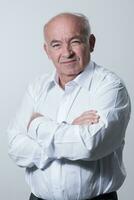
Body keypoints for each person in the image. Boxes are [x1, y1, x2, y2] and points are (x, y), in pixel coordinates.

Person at [7, 12, 131, 200]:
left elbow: (90, 145)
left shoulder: (111, 86)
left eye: (75, 41)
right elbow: (15, 148)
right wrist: (70, 129)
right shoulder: (36, 88)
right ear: (47, 50)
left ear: (91, 43)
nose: (66, 52)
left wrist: (36, 126)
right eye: (56, 45)